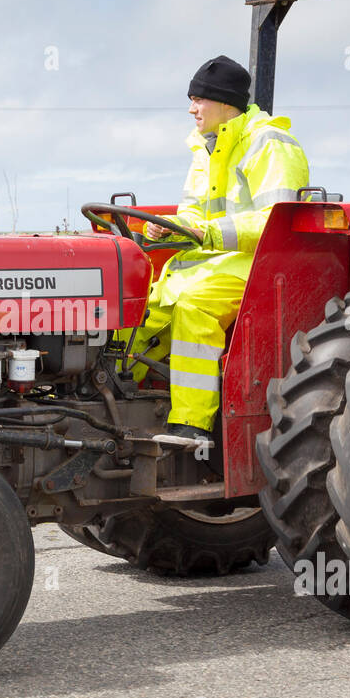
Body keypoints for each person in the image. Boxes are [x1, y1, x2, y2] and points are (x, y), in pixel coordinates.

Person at [117, 55, 311, 444]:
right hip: (215, 262)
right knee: (140, 307)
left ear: (226, 104)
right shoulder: (206, 148)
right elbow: (192, 212)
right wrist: (171, 227)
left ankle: (191, 428)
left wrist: (203, 233)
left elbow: (276, 221)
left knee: (194, 306)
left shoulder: (269, 144)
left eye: (198, 100)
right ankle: (116, 401)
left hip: (259, 265)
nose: (191, 109)